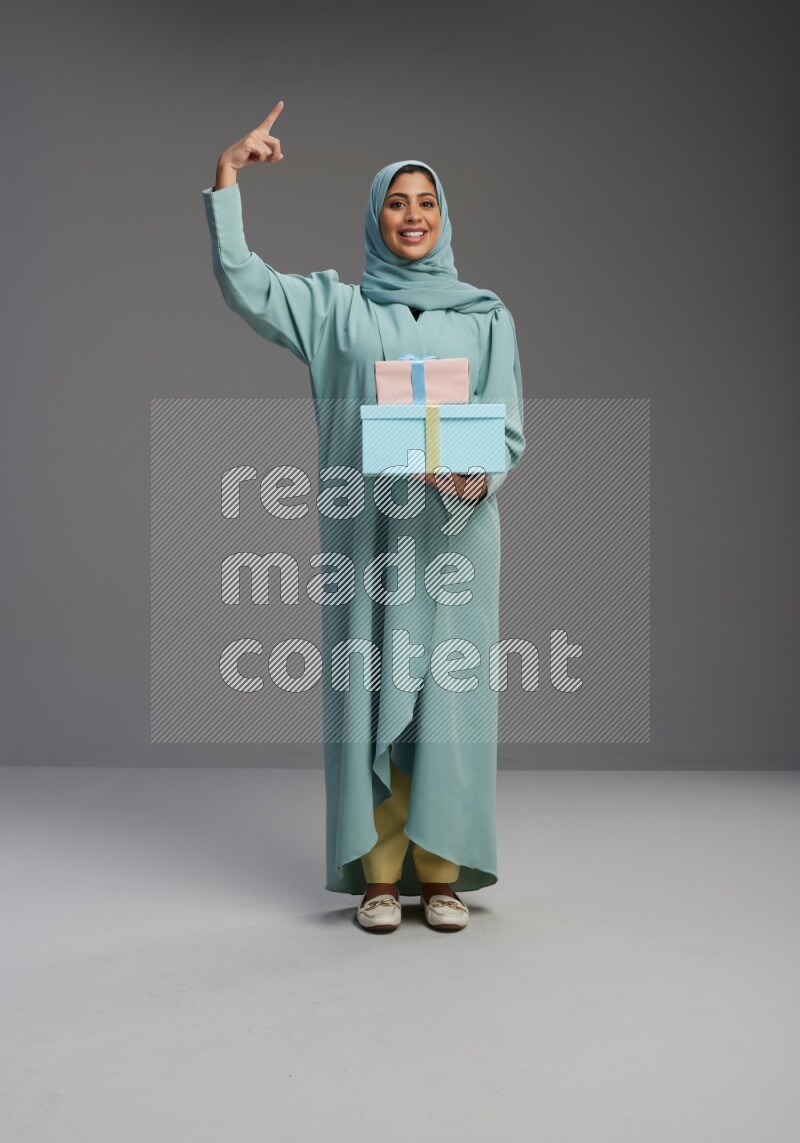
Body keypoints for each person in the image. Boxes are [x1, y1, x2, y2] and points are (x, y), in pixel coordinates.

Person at [203, 101, 526, 934]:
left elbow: (508, 428)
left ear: (444, 216)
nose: (412, 216)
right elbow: (247, 285)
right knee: (370, 695)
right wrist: (227, 176)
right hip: (368, 539)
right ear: (375, 216)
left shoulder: (486, 317)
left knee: (447, 704)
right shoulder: (335, 310)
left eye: (426, 203)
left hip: (453, 539)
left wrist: (475, 473)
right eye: (396, 202)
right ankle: (380, 878)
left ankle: (442, 873)